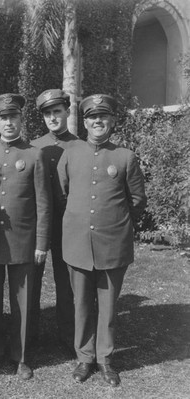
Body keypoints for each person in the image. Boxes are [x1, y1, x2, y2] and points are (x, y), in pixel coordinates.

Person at [56, 94, 146, 387]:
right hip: (77, 242)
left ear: (112, 121)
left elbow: (137, 200)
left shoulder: (125, 157)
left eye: (103, 117)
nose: (98, 122)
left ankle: (105, 360)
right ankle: (84, 357)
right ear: (84, 122)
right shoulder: (70, 153)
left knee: (107, 307)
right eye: (92, 117)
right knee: (80, 304)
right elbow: (63, 191)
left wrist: (115, 222)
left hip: (112, 242)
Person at [0, 93, 52, 379]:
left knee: (22, 300)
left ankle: (20, 356)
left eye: (13, 117)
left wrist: (41, 243)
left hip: (23, 240)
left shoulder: (34, 154)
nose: (8, 123)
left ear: (21, 119)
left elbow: (43, 203)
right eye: (3, 118)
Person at [28, 89, 77, 350]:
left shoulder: (79, 146)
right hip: (36, 224)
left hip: (67, 224)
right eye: (47, 113)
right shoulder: (34, 146)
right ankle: (30, 335)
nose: (52, 117)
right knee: (31, 281)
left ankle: (68, 337)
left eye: (57, 111)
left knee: (66, 282)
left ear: (67, 111)